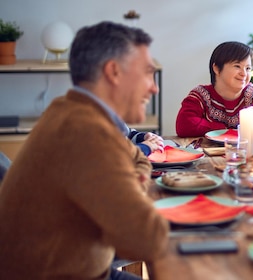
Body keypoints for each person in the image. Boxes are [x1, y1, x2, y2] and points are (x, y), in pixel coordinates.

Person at [0, 21, 169, 280]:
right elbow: (146, 239)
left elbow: (135, 156)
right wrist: (133, 183)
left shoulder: (69, 109)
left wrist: (130, 180)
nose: (153, 87)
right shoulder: (86, 132)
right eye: (147, 72)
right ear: (113, 72)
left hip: (86, 266)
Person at [175, 41, 253, 137]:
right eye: (237, 66)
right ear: (217, 68)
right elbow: (184, 125)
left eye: (248, 68)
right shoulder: (201, 95)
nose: (244, 74)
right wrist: (223, 130)